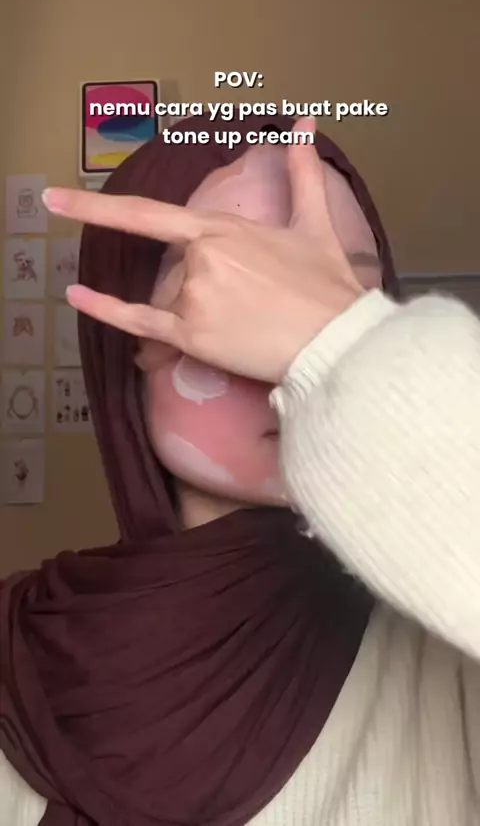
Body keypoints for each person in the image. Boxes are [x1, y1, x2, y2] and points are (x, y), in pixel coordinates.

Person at [1, 114, 478, 826]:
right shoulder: (18, 653)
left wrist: (348, 354)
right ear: (117, 350)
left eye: (340, 302)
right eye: (227, 297)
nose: (283, 355)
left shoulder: (447, 653)